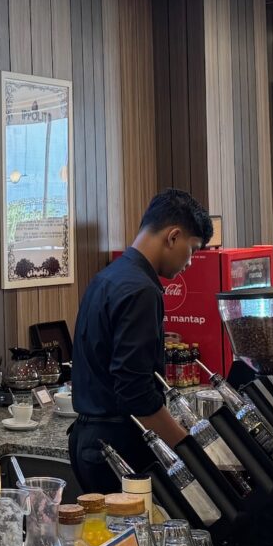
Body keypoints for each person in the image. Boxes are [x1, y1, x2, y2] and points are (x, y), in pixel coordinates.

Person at [69, 188, 214, 493]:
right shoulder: (141, 291)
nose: (190, 262)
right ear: (172, 237)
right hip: (118, 444)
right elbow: (135, 393)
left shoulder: (107, 278)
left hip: (87, 439)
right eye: (193, 249)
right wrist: (189, 450)